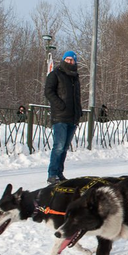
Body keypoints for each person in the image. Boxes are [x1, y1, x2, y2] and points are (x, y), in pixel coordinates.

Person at [44, 51, 82, 184]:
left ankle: (59, 173)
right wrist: (60, 105)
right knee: (58, 146)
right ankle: (52, 174)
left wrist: (79, 111)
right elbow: (48, 91)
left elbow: (76, 97)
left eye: (72, 60)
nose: (70, 62)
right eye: (68, 59)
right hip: (60, 116)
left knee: (65, 147)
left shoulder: (75, 77)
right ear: (64, 60)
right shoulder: (56, 74)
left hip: (72, 117)